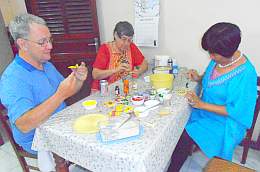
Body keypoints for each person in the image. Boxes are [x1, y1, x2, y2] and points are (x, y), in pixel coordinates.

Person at [0, 14, 88, 171]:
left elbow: (67, 91)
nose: (50, 46)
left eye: (50, 40)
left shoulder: (45, 64)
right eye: (42, 42)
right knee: (91, 147)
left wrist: (79, 80)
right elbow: (24, 124)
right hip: (37, 138)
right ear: (23, 44)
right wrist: (59, 95)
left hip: (60, 123)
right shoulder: (12, 78)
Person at [168, 22, 257, 171]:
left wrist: (201, 105)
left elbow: (237, 111)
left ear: (228, 51)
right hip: (206, 111)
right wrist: (199, 78)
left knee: (184, 135)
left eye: (213, 53)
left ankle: (174, 167)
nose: (210, 56)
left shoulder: (246, 74)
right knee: (176, 120)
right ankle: (181, 156)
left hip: (227, 122)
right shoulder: (219, 59)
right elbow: (212, 81)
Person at [91, 21, 148, 90]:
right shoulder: (105, 49)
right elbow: (95, 74)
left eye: (129, 40)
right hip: (104, 89)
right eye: (123, 39)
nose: (126, 43)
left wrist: (139, 71)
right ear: (115, 35)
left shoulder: (131, 47)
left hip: (124, 86)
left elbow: (144, 63)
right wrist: (115, 70)